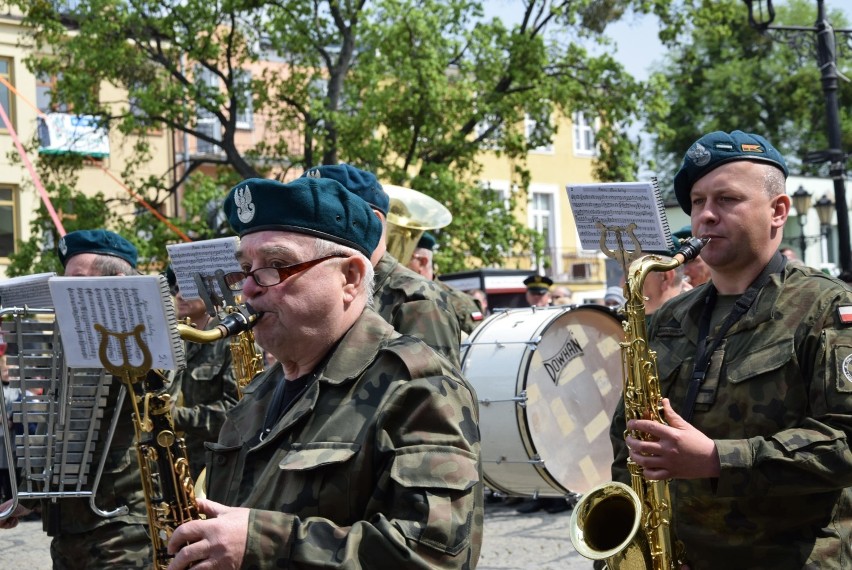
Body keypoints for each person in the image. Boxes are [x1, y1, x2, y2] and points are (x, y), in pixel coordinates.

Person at [166, 177, 483, 569]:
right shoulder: (260, 392)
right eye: (245, 268)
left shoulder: (418, 386)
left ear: (349, 278)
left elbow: (433, 556)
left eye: (276, 265)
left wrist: (262, 543)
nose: (247, 289)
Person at [609, 130, 852, 568]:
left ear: (778, 211)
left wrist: (718, 459)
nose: (706, 216)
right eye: (698, 201)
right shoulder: (666, 318)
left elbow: (846, 443)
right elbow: (628, 438)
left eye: (727, 200)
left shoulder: (828, 307)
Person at [0, 229, 154, 568]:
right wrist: (29, 496)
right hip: (68, 527)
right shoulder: (72, 345)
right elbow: (62, 434)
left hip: (121, 526)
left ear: (115, 281)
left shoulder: (149, 344)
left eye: (78, 280)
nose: (65, 291)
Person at [301, 164, 464, 367]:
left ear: (374, 222)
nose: (309, 231)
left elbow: (435, 392)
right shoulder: (321, 287)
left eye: (330, 217)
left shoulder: (417, 299)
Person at [164, 267, 239, 479]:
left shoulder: (230, 340)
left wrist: (172, 417)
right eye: (176, 288)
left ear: (211, 294)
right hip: (175, 462)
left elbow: (235, 411)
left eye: (188, 289)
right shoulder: (172, 339)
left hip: (215, 466)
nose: (178, 295)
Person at [406, 231, 484, 334]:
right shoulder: (394, 296)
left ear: (422, 262)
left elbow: (478, 345)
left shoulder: (460, 303)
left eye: (404, 258)